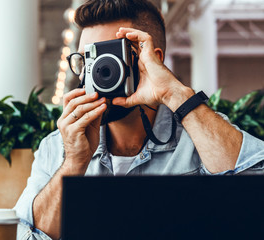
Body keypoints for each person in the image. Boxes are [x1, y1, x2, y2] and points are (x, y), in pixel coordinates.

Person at [14, 0, 264, 239]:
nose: (99, 71)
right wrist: (73, 165)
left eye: (108, 56)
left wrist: (174, 93)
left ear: (152, 59)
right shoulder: (57, 147)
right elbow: (26, 237)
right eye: (88, 59)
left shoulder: (200, 135)